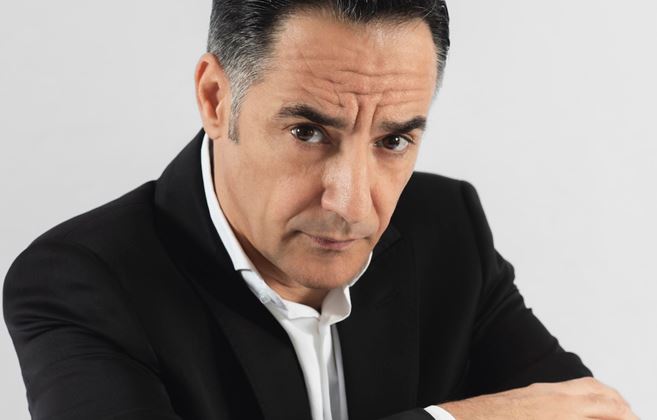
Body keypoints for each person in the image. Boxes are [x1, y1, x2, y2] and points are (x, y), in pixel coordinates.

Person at [3, 1, 637, 419]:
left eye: (393, 141)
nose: (352, 203)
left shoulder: (447, 228)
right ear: (216, 98)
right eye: (308, 132)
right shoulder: (81, 281)